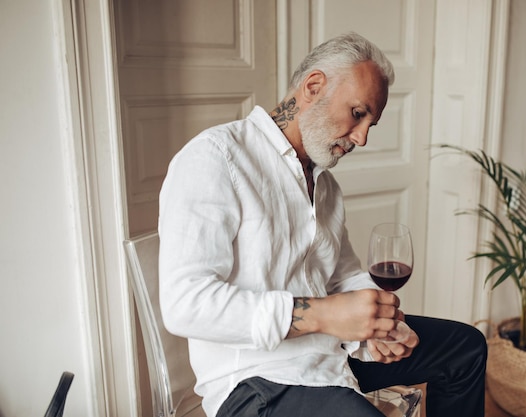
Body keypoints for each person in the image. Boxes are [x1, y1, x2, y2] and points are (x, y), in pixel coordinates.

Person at [159, 32, 486, 417]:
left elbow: (343, 276)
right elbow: (185, 303)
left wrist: (376, 327)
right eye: (358, 113)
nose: (362, 138)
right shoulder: (217, 158)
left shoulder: (324, 185)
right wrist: (325, 314)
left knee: (466, 348)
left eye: (371, 124)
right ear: (314, 87)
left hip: (331, 353)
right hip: (256, 382)